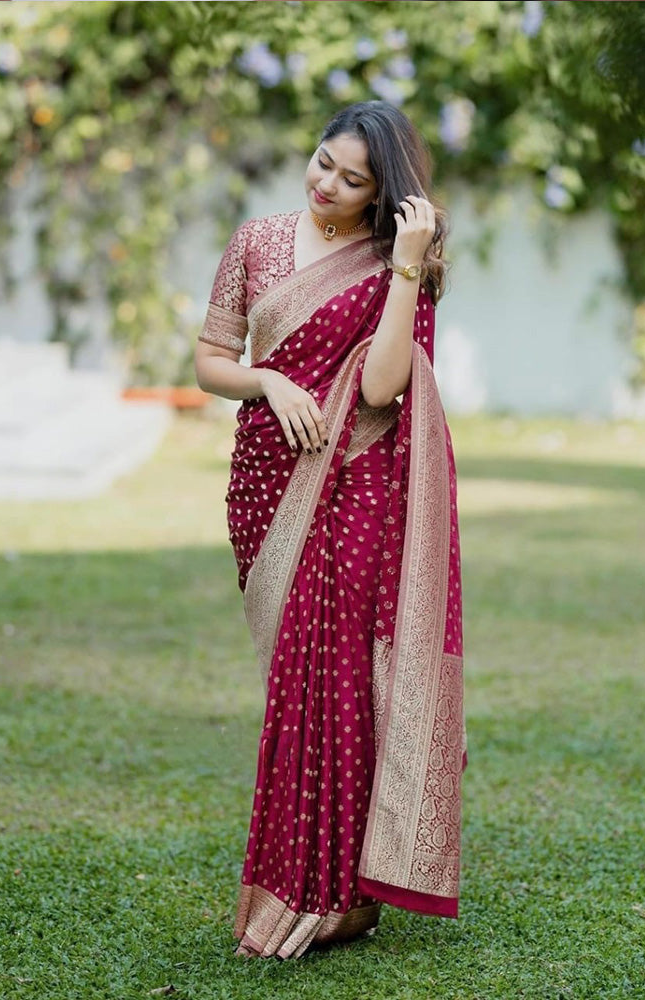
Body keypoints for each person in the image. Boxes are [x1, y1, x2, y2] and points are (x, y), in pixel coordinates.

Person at [194, 100, 466, 960]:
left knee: (337, 685)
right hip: (267, 481)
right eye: (323, 163)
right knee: (295, 683)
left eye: (355, 180)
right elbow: (210, 360)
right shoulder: (257, 241)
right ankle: (317, 884)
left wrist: (406, 271)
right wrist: (268, 384)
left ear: (384, 192)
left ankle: (331, 894)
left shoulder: (394, 264)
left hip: (357, 488)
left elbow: (384, 388)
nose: (329, 186)